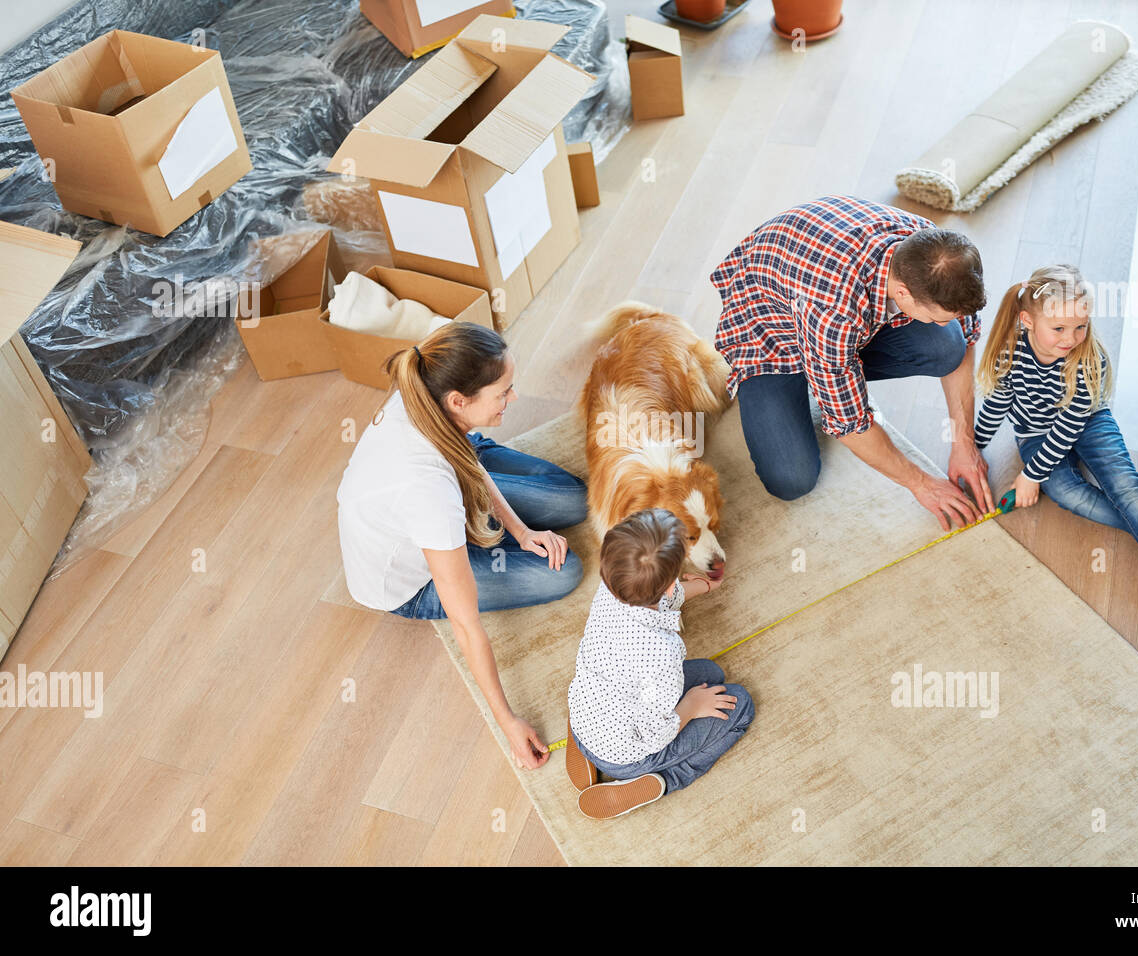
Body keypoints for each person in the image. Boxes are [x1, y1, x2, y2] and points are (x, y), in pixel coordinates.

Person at [336, 323, 587, 770]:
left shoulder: (425, 383)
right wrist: (507, 721)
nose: (513, 400)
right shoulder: (428, 490)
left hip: (456, 462)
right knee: (564, 571)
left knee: (577, 500)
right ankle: (474, 473)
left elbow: (459, 456)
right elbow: (464, 621)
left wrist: (522, 531)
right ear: (458, 401)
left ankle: (477, 441)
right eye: (503, 393)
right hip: (412, 584)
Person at [710, 195, 994, 528]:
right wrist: (921, 482)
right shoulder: (835, 311)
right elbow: (851, 425)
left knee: (949, 347)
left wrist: (963, 441)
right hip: (772, 341)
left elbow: (966, 335)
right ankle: (819, 379)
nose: (946, 322)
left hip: (828, 320)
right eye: (937, 316)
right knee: (791, 479)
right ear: (902, 293)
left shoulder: (931, 247)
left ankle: (833, 373)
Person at [974, 264, 1138, 625]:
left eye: (1081, 326)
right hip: (1034, 432)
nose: (1071, 337)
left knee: (1124, 486)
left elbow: (1068, 426)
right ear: (1028, 321)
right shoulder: (1010, 353)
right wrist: (974, 446)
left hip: (1087, 422)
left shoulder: (1087, 361)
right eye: (1059, 328)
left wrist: (1030, 476)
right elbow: (997, 404)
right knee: (1067, 494)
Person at [565, 508, 753, 819]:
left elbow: (659, 593)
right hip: (629, 752)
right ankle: (662, 779)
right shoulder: (662, 654)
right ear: (668, 585)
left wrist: (705, 586)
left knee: (710, 673)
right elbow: (655, 731)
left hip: (587, 712)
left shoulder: (611, 587)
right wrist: (691, 707)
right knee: (740, 705)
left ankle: (585, 744)